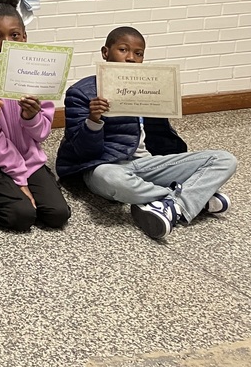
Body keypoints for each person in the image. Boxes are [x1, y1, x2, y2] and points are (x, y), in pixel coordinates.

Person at [56, 26, 237, 240]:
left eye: (138, 53)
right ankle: (194, 200)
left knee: (225, 160)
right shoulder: (81, 92)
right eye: (123, 50)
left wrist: (165, 104)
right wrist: (93, 120)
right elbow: (82, 151)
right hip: (103, 165)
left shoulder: (149, 85)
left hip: (146, 163)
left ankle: (172, 205)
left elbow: (163, 138)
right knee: (111, 178)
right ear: (106, 52)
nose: (131, 58)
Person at [0, 0, 71, 231]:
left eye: (15, 35)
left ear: (24, 37)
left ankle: (24, 189)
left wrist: (31, 117)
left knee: (57, 214)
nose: (7, 43)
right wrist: (21, 180)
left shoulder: (36, 75)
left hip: (27, 158)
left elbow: (42, 134)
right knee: (21, 217)